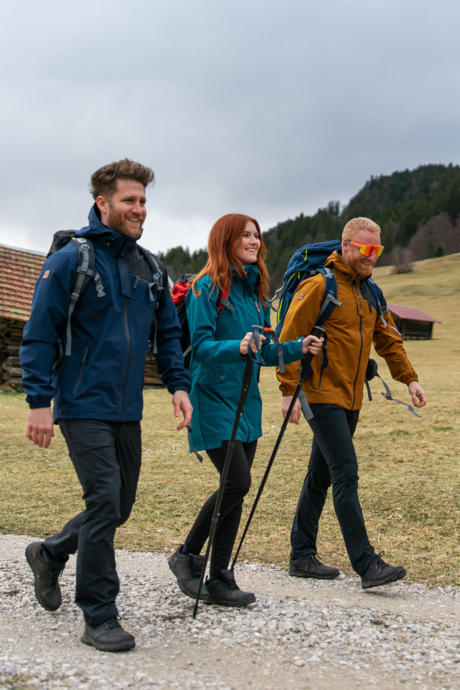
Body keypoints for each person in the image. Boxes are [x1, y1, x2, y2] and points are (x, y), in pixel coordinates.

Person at [20, 159, 192, 651]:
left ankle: (50, 554)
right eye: (129, 201)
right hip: (79, 404)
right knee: (103, 501)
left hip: (127, 410)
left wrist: (179, 386)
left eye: (143, 201)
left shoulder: (150, 267)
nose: (139, 209)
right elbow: (38, 335)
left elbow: (170, 335)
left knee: (119, 505)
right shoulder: (70, 260)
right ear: (103, 203)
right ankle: (99, 614)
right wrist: (39, 402)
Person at [168, 213, 322, 607]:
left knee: (232, 491)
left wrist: (296, 347)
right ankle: (186, 555)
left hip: (245, 403)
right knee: (237, 483)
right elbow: (201, 347)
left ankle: (219, 577)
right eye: (246, 236)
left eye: (257, 236)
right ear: (226, 240)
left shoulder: (255, 295)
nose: (255, 242)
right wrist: (236, 346)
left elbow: (265, 350)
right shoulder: (206, 288)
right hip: (210, 397)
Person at [277, 217, 427, 589]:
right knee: (346, 473)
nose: (370, 256)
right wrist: (286, 390)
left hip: (351, 397)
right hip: (319, 394)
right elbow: (289, 337)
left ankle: (301, 555)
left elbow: (389, 339)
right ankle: (366, 563)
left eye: (376, 250)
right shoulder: (319, 286)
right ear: (345, 246)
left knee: (321, 475)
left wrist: (410, 379)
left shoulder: (371, 292)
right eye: (364, 248)